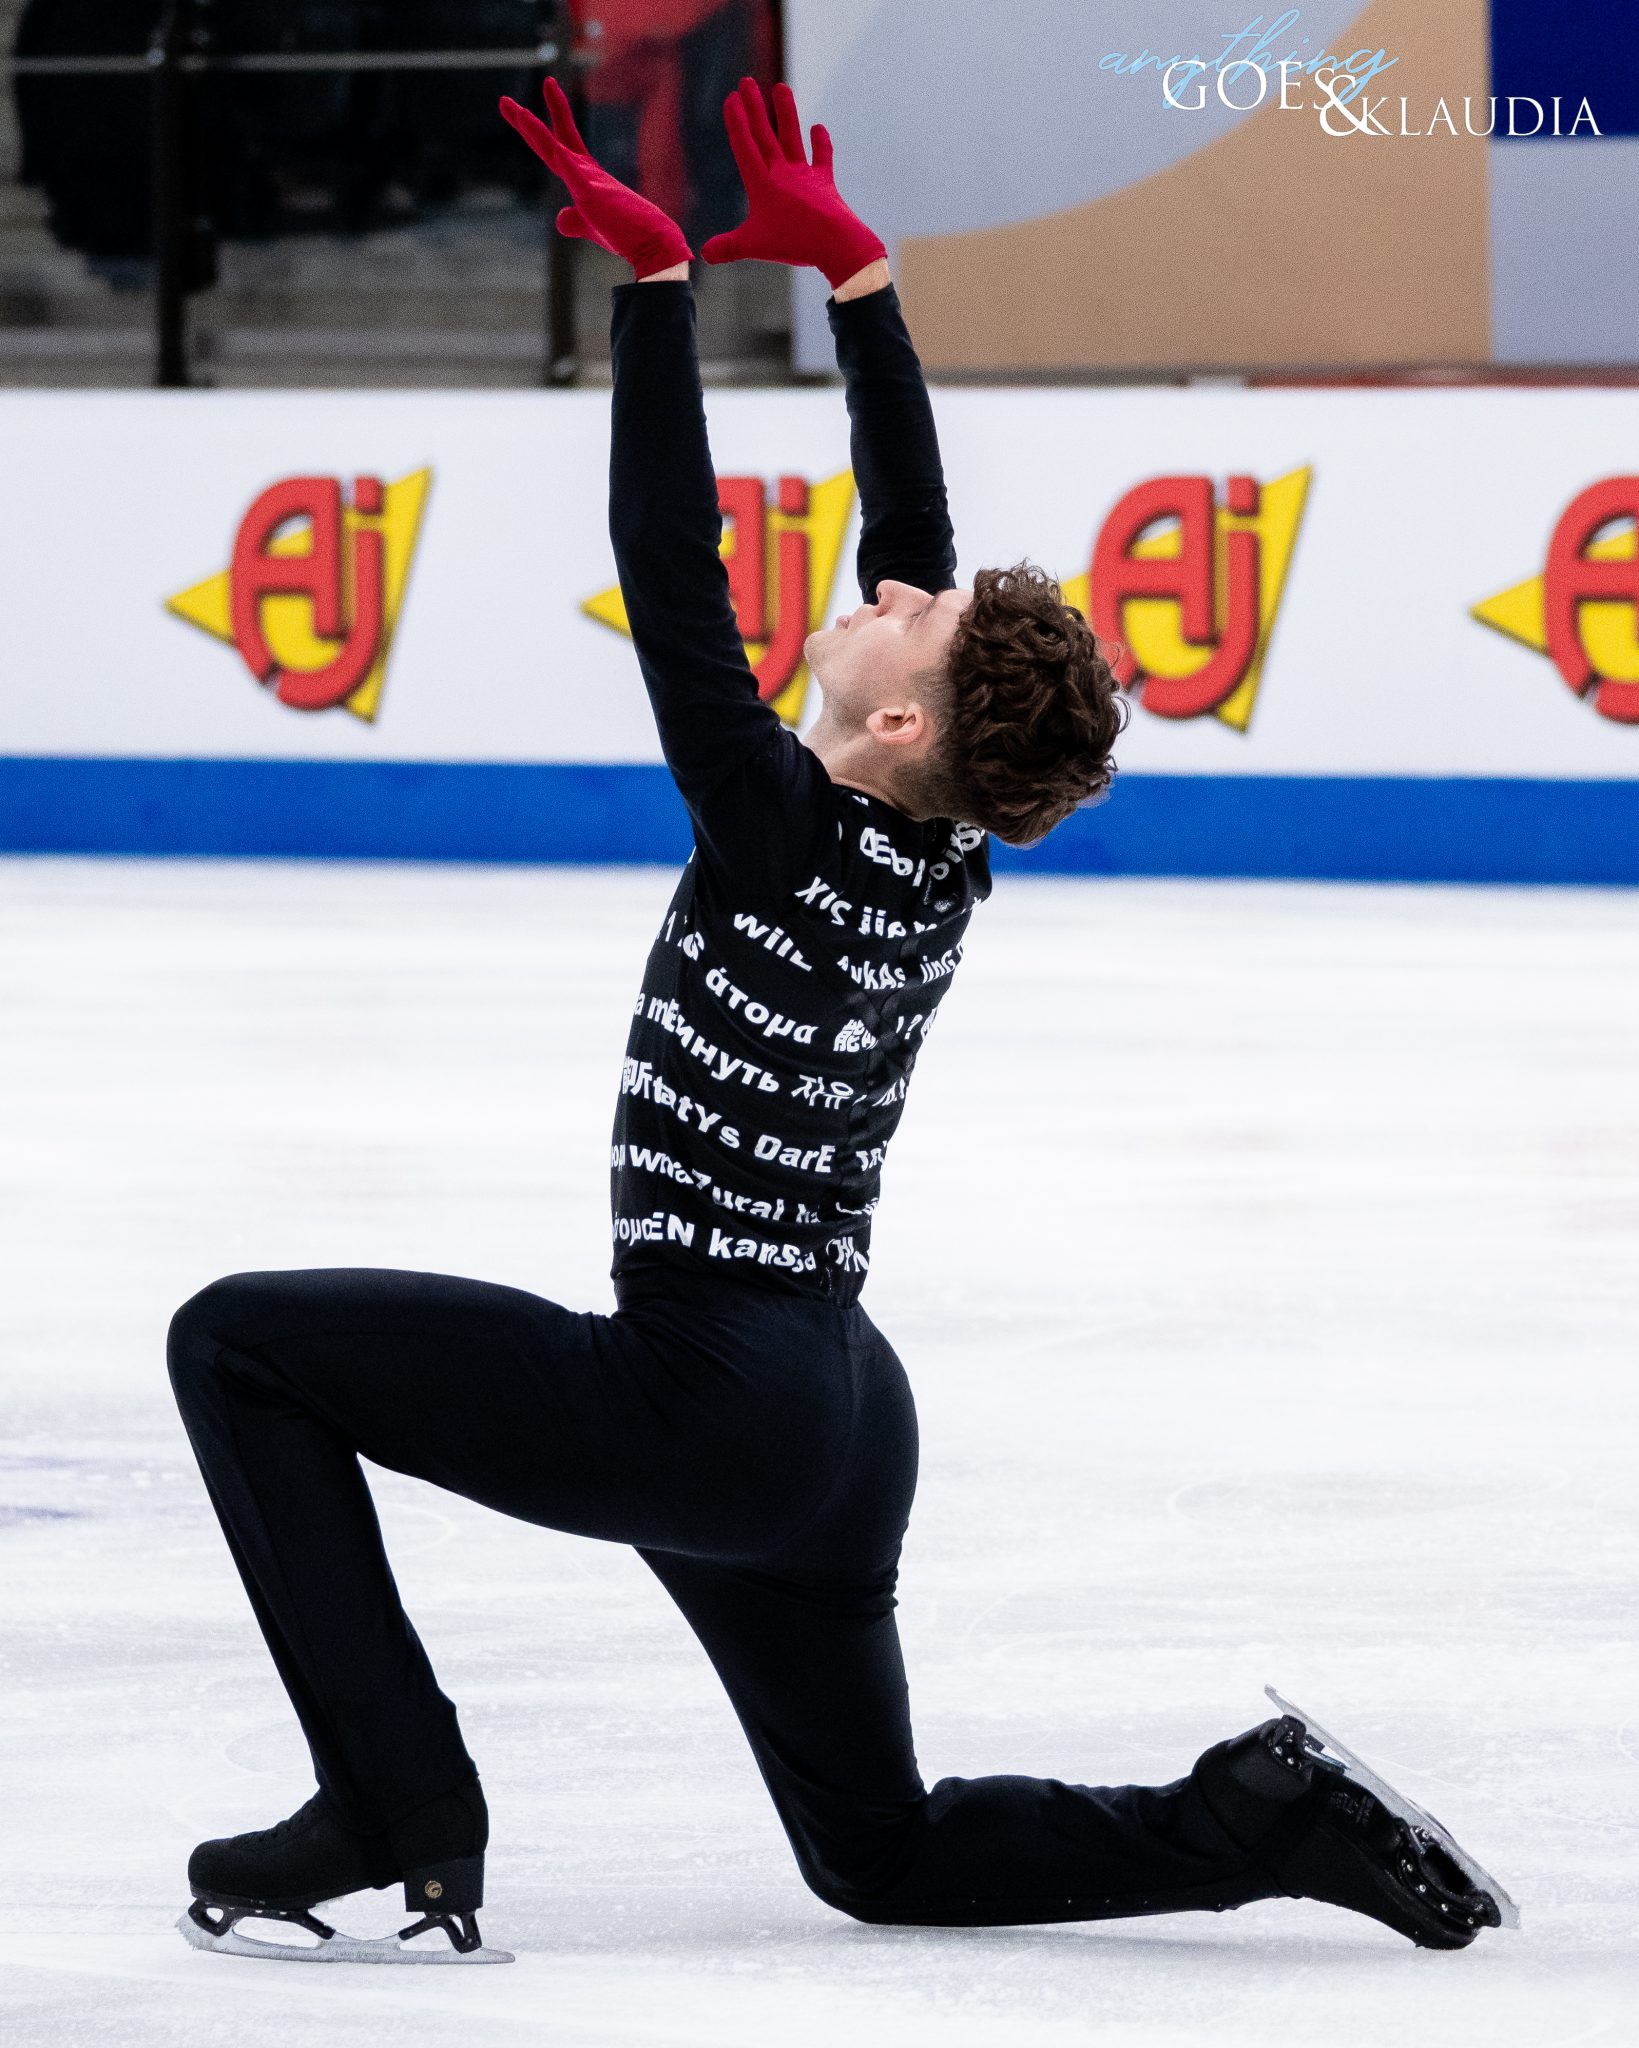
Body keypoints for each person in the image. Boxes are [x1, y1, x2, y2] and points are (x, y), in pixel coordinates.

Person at [166, 76, 1512, 1963]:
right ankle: (1254, 1816)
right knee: (880, 1856)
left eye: (916, 619)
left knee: (237, 1346)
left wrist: (656, 301)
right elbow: (919, 538)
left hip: (712, 1399)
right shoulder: (937, 847)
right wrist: (862, 291)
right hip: (831, 1417)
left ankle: (392, 1793)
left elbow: (672, 579)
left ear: (896, 724)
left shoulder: (781, 826)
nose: (892, 586)